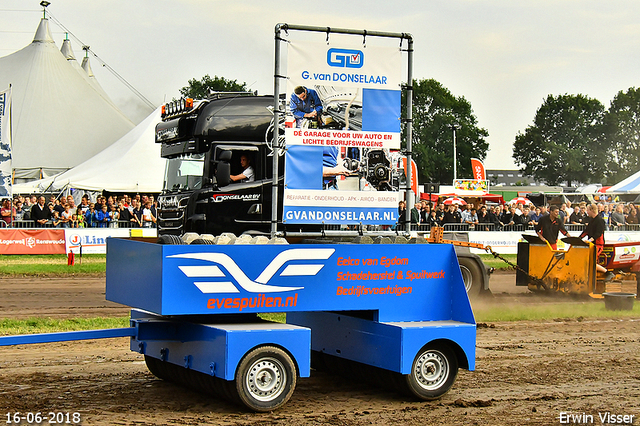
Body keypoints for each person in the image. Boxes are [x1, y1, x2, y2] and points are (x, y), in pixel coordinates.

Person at [580, 203, 613, 280]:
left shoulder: (600, 221)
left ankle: (607, 272)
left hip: (597, 245)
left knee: (591, 261)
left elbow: (598, 233)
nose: (587, 212)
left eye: (587, 210)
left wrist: (590, 240)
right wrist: (579, 238)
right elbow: (586, 231)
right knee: (588, 261)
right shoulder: (592, 221)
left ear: (592, 210)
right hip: (591, 244)